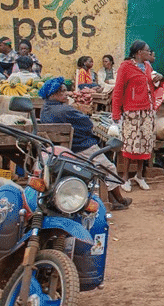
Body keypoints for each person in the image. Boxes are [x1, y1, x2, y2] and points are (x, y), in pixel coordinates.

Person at [38, 77, 131, 211]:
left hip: (62, 149)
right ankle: (119, 200)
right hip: (80, 147)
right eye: (63, 91)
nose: (67, 94)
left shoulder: (45, 109)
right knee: (108, 167)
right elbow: (87, 124)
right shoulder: (65, 110)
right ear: (54, 94)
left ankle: (112, 199)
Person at [111, 40, 156, 192]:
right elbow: (118, 90)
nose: (149, 53)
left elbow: (151, 85)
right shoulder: (126, 67)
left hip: (147, 110)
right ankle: (125, 177)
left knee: (145, 143)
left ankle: (139, 176)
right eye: (147, 51)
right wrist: (116, 112)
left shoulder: (148, 66)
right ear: (138, 53)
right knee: (130, 144)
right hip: (132, 111)